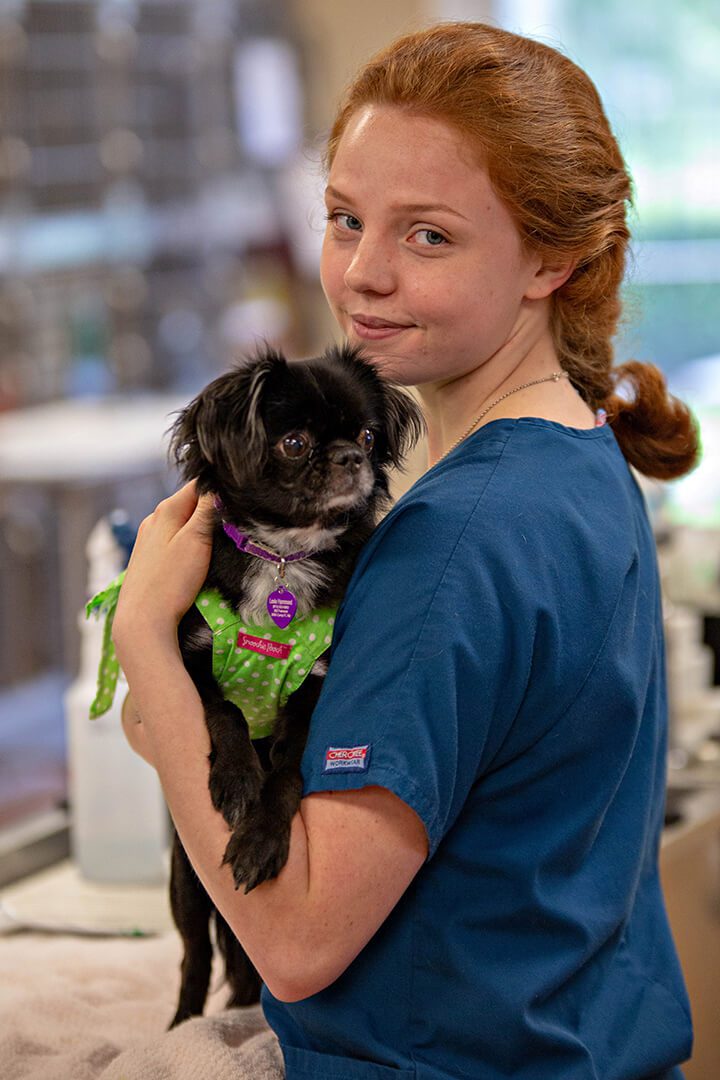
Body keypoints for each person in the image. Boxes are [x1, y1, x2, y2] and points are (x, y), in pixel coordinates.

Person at [113, 21, 699, 1080]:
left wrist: (146, 638)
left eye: (428, 236)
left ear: (553, 258)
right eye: (345, 219)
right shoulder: (576, 457)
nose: (363, 275)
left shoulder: (456, 542)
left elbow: (295, 941)